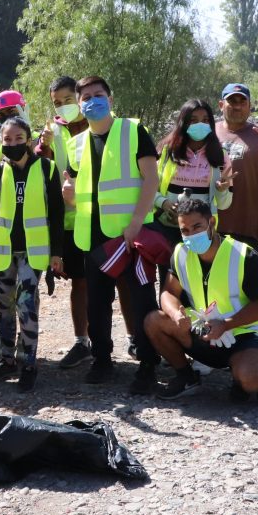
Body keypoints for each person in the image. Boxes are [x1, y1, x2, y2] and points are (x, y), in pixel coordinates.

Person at [61, 75, 163, 393]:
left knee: (140, 300)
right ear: (79, 105)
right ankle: (102, 360)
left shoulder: (134, 131)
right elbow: (82, 189)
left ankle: (148, 364)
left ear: (110, 98)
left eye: (99, 94)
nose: (93, 101)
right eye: (87, 97)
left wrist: (134, 223)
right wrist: (70, 195)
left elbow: (151, 180)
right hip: (93, 236)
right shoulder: (74, 143)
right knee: (97, 303)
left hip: (132, 234)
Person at [145, 198, 258, 405]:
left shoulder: (245, 256)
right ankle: (187, 377)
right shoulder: (180, 252)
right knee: (154, 321)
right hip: (202, 332)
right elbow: (168, 292)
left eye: (197, 226)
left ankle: (251, 374)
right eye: (185, 230)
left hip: (240, 335)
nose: (191, 235)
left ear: (212, 223)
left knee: (251, 380)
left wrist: (226, 324)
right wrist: (176, 313)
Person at [0, 117, 64, 391]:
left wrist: (57, 252)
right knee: (6, 305)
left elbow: (56, 213)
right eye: (7, 140)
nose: (12, 144)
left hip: (32, 252)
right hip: (4, 251)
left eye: (18, 138)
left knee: (26, 305)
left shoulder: (46, 168)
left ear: (29, 139)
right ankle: (7, 360)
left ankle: (29, 362)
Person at [38, 76, 94, 369]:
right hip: (67, 222)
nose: (63, 107)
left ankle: (125, 342)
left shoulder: (98, 126)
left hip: (100, 217)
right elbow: (44, 170)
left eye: (68, 100)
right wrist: (44, 148)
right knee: (80, 282)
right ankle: (81, 341)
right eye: (57, 103)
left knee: (112, 282)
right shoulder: (53, 132)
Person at [152, 98, 235, 248]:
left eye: (205, 120)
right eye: (194, 120)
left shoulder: (220, 156)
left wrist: (222, 191)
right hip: (167, 229)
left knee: (196, 270)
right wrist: (163, 203)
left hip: (201, 232)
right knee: (169, 271)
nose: (200, 125)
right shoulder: (166, 152)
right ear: (183, 122)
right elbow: (148, 188)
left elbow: (224, 205)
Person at [215, 83, 258, 257]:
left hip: (249, 226)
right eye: (232, 101)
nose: (237, 106)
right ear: (221, 105)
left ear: (250, 107)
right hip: (213, 225)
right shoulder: (209, 133)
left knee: (250, 280)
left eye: (242, 102)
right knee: (216, 280)